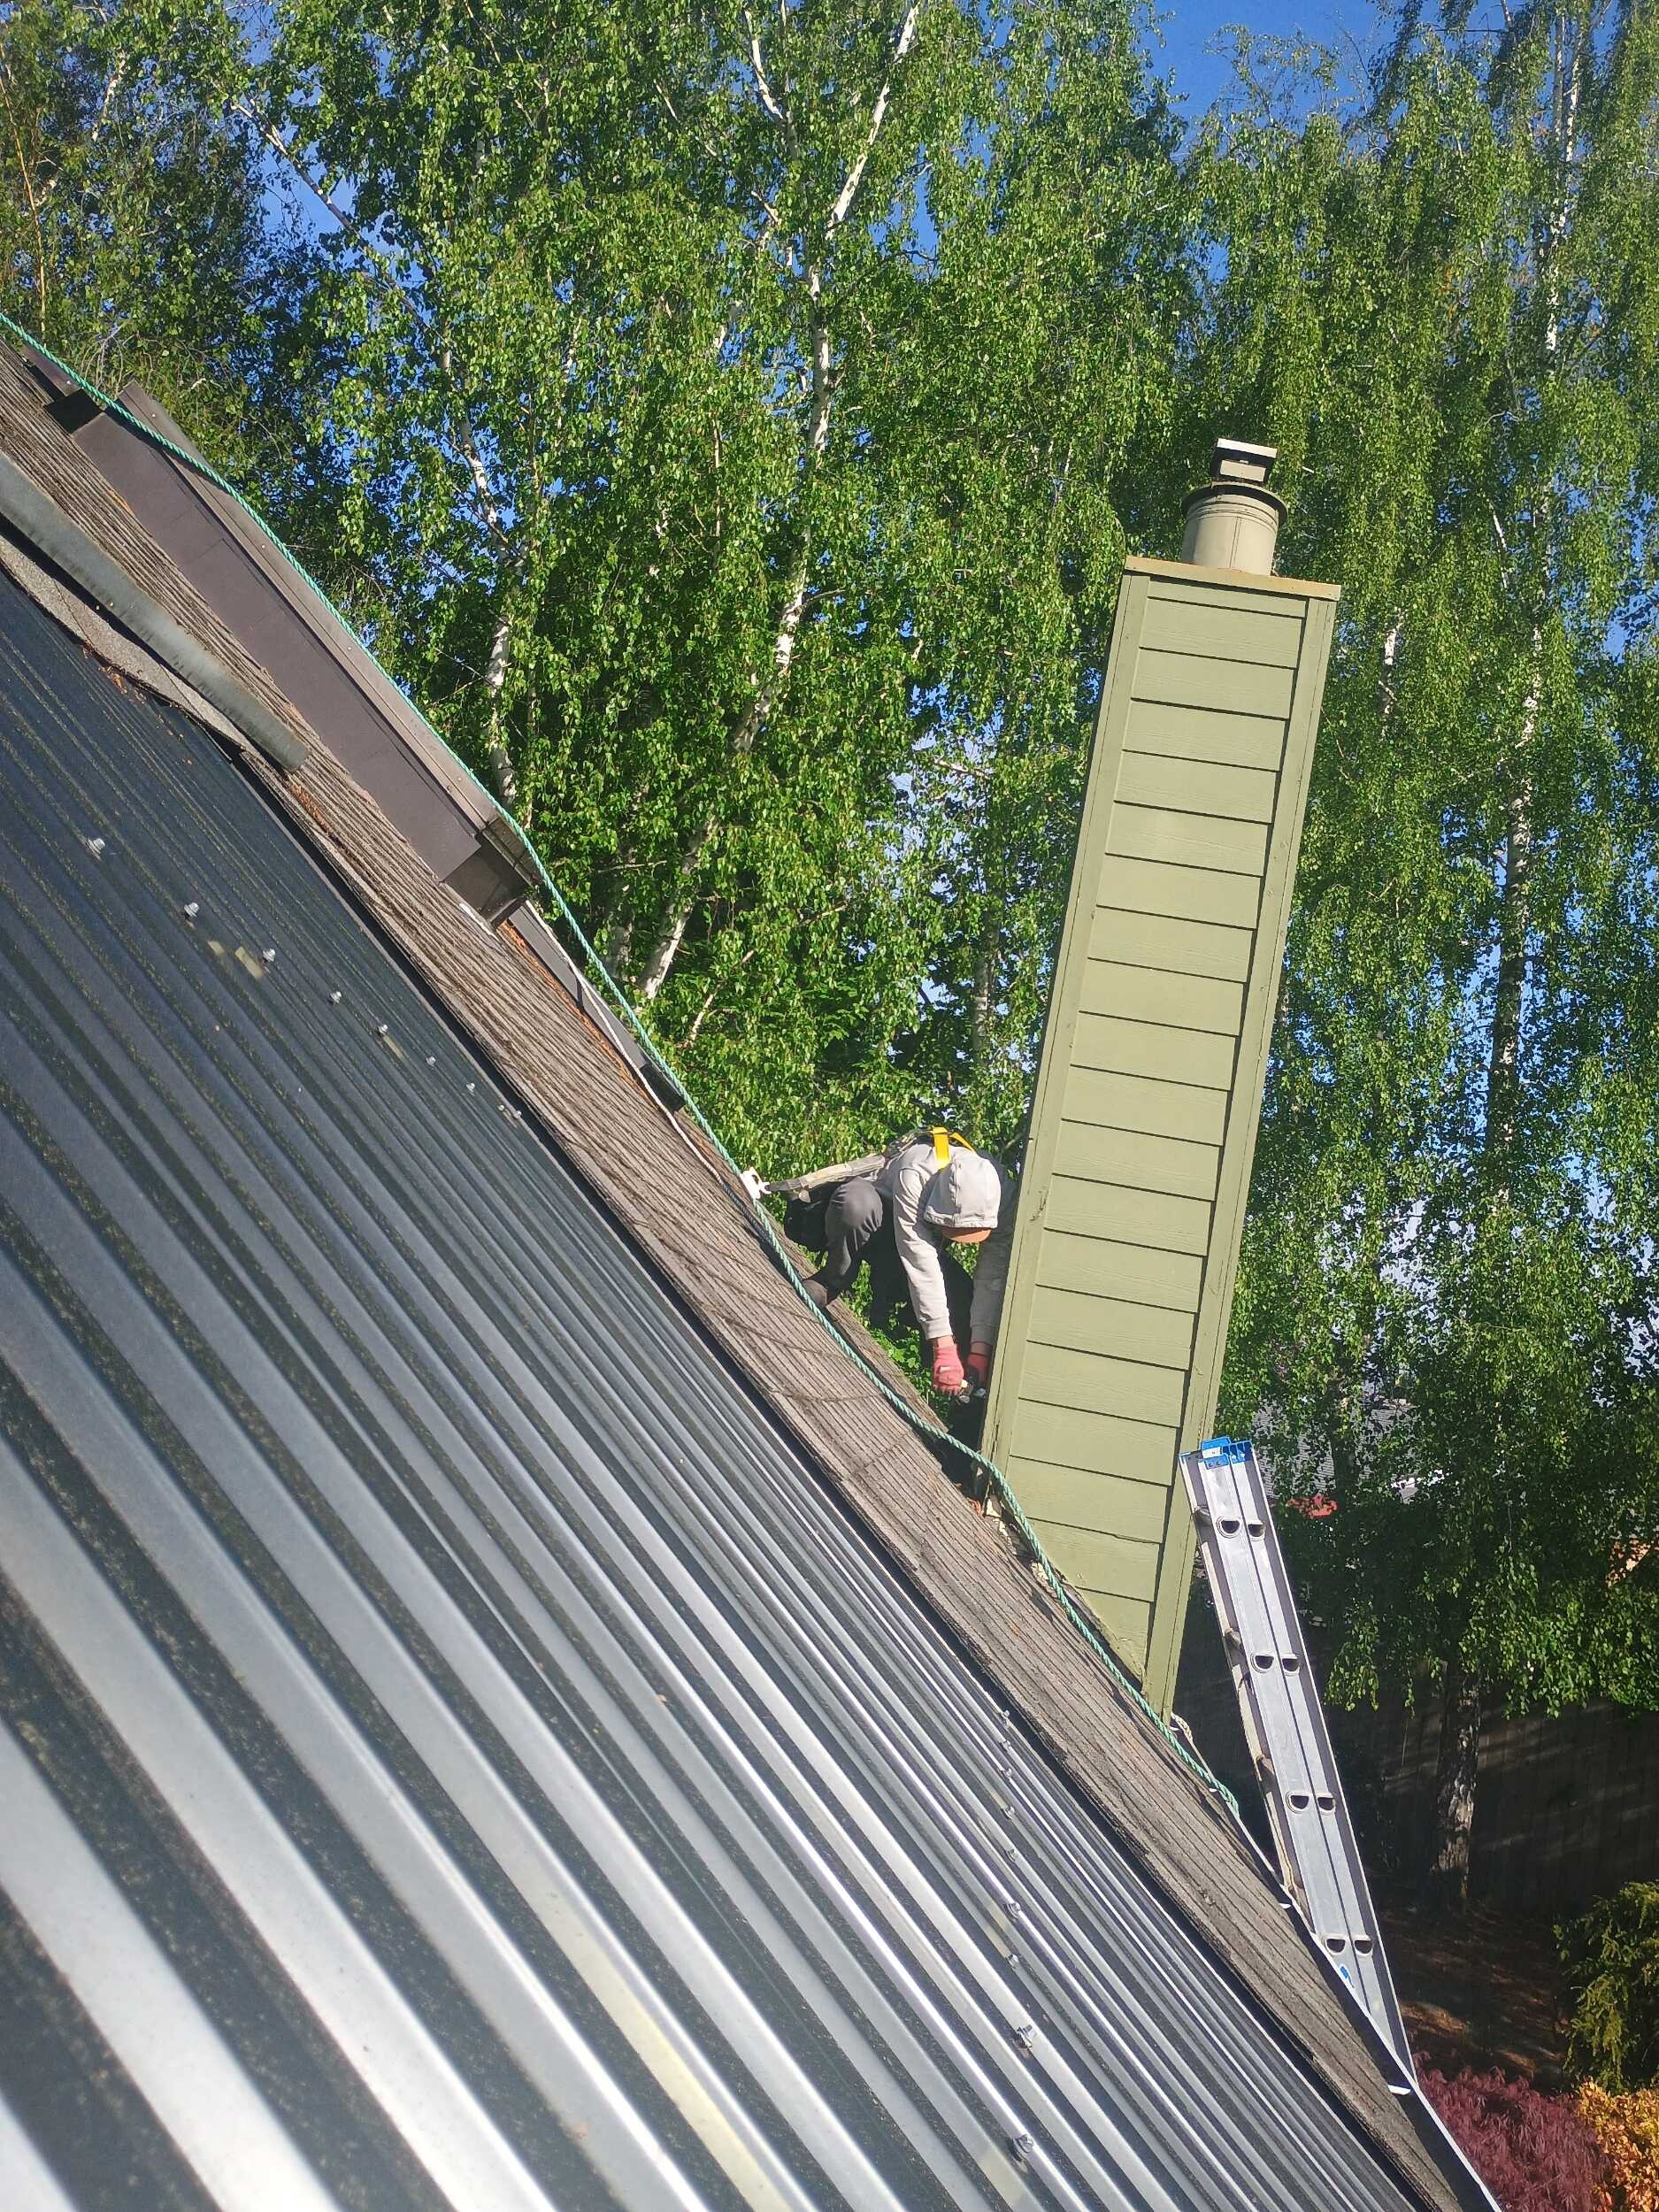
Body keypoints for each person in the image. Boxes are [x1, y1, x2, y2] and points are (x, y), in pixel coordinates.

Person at [788, 1129, 1013, 1394]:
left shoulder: (1003, 1193)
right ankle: (832, 1280)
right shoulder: (917, 1170)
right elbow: (919, 1259)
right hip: (875, 1224)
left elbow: (992, 1278)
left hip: (917, 1245)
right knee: (856, 1205)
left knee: (962, 1297)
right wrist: (943, 1346)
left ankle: (962, 1397)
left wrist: (980, 1351)